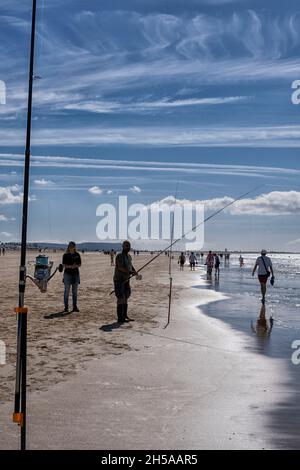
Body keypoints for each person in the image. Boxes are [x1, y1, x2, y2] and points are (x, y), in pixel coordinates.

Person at [114, 240, 137, 323]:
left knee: (126, 297)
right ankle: (120, 317)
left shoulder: (129, 256)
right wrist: (130, 272)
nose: (128, 247)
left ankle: (125, 315)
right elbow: (120, 267)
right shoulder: (119, 256)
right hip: (119, 280)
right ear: (123, 246)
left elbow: (130, 266)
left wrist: (134, 271)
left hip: (126, 279)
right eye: (126, 245)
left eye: (129, 246)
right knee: (120, 297)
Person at [62, 241, 81, 313]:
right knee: (66, 291)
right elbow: (64, 265)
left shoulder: (77, 254)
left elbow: (80, 264)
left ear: (75, 247)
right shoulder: (65, 255)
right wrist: (70, 266)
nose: (71, 247)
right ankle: (66, 307)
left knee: (75, 292)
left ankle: (74, 306)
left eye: (73, 246)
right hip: (67, 274)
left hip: (76, 274)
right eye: (70, 246)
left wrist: (75, 266)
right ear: (68, 247)